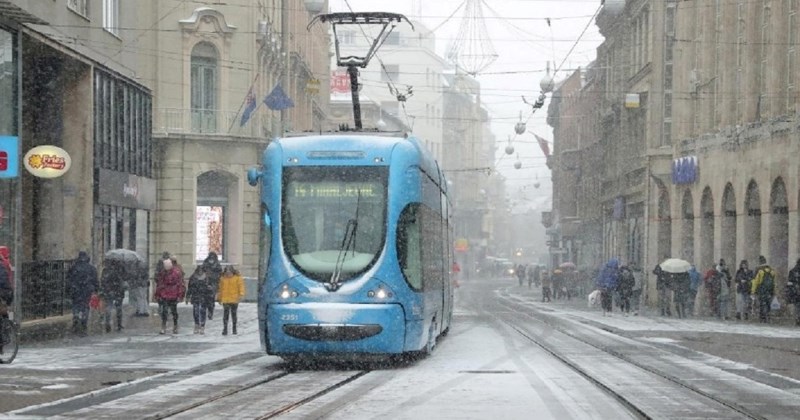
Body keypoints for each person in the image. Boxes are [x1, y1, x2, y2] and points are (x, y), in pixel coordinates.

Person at [66, 251, 98, 336]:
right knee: (85, 306)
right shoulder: (91, 268)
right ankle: (84, 322)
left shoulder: (74, 267)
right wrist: (96, 289)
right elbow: (95, 280)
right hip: (87, 290)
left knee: (76, 305)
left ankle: (76, 317)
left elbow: (68, 279)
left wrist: (68, 290)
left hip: (75, 290)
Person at [155, 257, 185, 334]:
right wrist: (158, 294)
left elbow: (179, 285)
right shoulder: (163, 273)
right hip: (165, 294)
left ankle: (174, 326)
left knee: (173, 311)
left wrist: (179, 295)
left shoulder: (176, 273)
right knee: (164, 311)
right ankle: (164, 326)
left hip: (172, 295)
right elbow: (160, 284)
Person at [100, 259, 127, 332]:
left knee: (109, 306)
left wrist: (103, 290)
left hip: (109, 291)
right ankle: (119, 324)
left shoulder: (106, 270)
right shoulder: (120, 270)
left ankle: (107, 322)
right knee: (119, 308)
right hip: (118, 291)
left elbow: (102, 281)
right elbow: (125, 279)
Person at [217, 265, 245, 335]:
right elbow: (220, 289)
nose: (228, 273)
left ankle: (234, 328)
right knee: (225, 315)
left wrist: (241, 294)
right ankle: (225, 328)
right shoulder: (222, 279)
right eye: (227, 272)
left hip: (234, 299)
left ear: (232, 272)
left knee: (234, 314)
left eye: (229, 272)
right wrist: (219, 298)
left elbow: (241, 286)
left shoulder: (237, 278)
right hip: (225, 299)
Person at [185, 265, 213, 334]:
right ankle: (197, 324)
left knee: (202, 310)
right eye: (199, 271)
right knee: (196, 311)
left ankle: (202, 325)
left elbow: (211, 288)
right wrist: (188, 296)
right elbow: (190, 287)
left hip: (204, 296)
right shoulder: (193, 277)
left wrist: (210, 290)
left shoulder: (207, 278)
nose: (200, 272)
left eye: (201, 271)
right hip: (195, 296)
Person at [750, 255, 777, 323]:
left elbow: (755, 281)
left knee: (762, 303)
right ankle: (768, 315)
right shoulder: (771, 270)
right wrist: (774, 291)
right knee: (768, 304)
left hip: (762, 290)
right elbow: (774, 282)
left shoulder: (759, 271)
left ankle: (762, 317)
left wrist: (753, 291)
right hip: (769, 291)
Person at [201, 252, 223, 320]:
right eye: (210, 257)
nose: (211, 259)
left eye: (212, 257)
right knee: (205, 298)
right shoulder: (205, 263)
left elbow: (219, 274)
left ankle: (210, 312)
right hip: (205, 283)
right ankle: (205, 311)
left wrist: (213, 277)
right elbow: (201, 271)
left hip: (213, 283)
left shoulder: (217, 265)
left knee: (211, 299)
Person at [786, 258, 800, 326]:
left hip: (796, 292)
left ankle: (798, 319)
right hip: (796, 291)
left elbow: (789, 283)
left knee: (797, 306)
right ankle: (798, 318)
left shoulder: (793, 271)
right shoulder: (794, 271)